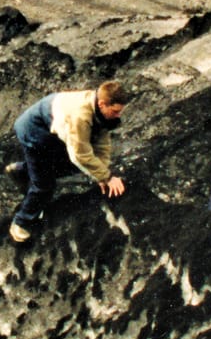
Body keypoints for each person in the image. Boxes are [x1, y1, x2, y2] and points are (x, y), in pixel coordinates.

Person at [8, 80, 128, 243]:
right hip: (34, 130)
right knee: (44, 184)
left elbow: (102, 143)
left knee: (77, 164)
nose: (118, 115)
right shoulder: (80, 116)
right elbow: (80, 155)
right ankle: (21, 223)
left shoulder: (99, 111)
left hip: (53, 123)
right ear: (102, 104)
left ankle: (22, 170)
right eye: (115, 111)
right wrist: (106, 176)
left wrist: (103, 174)